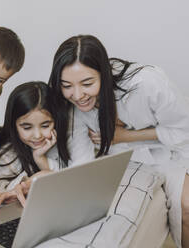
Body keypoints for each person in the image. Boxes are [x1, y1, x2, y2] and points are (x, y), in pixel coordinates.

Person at [48, 34, 189, 248]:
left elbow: (183, 129)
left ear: (103, 75)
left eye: (87, 83)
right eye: (66, 85)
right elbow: (80, 160)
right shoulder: (69, 108)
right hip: (125, 160)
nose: (77, 95)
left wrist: (123, 136)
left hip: (174, 151)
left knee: (186, 206)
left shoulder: (147, 82)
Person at [0, 81, 70, 207]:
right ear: (14, 125)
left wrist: (40, 158)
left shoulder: (63, 143)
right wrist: (30, 181)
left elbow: (66, 184)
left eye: (45, 126)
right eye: (27, 127)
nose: (37, 135)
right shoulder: (9, 153)